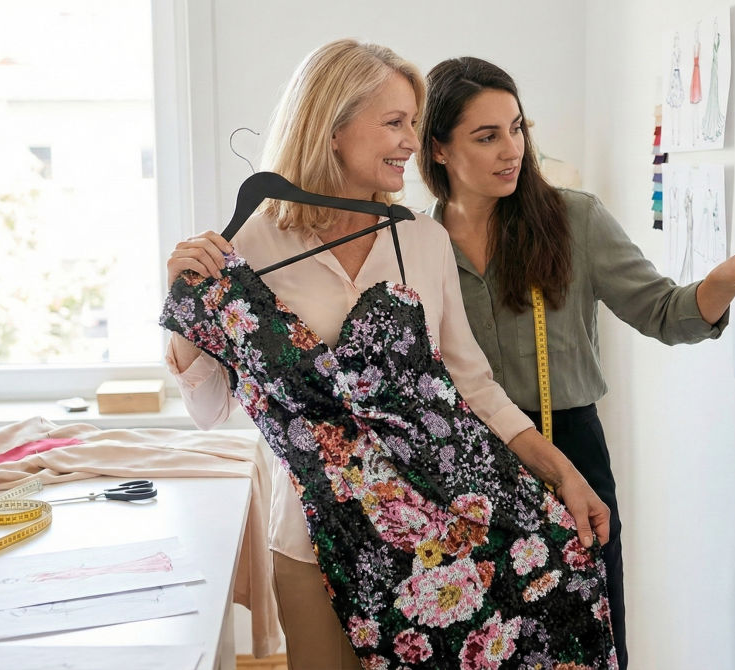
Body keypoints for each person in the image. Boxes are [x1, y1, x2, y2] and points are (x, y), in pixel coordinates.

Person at [162, 40, 617, 669]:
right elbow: (209, 412)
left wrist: (563, 472)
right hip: (310, 543)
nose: (412, 140)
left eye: (414, 121)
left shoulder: (421, 240)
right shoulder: (247, 250)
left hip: (438, 537)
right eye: (394, 123)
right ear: (333, 128)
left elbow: (473, 387)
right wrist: (185, 313)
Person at [418, 56, 735, 668]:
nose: (510, 149)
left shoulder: (572, 219)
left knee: (586, 632)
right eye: (486, 137)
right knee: (480, 642)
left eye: (517, 128)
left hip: (569, 444)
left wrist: (723, 279)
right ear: (438, 149)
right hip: (460, 458)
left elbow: (664, 312)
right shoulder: (414, 243)